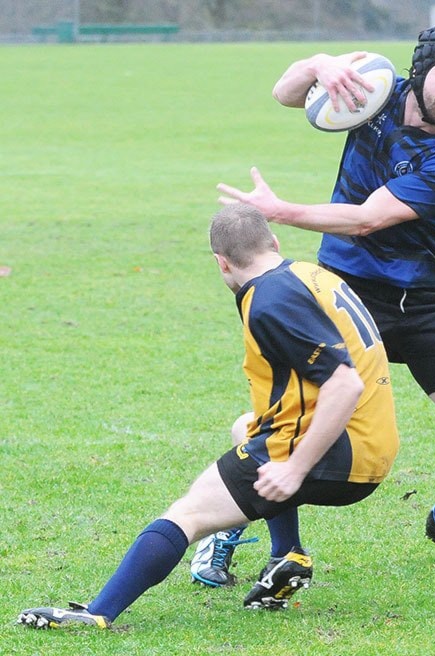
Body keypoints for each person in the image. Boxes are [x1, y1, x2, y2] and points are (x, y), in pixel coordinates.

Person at [18, 203, 399, 629]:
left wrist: (295, 467)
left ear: (221, 262)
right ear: (273, 243)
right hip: (373, 444)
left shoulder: (270, 299)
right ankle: (286, 556)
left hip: (339, 452)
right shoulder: (309, 274)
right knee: (246, 427)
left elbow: (344, 384)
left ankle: (97, 613)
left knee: (188, 514)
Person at [214, 24, 435, 566]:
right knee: (283, 423)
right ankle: (241, 537)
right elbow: (286, 94)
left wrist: (282, 212)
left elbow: (368, 219)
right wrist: (320, 62)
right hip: (345, 294)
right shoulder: (376, 91)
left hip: (420, 301)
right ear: (418, 72)